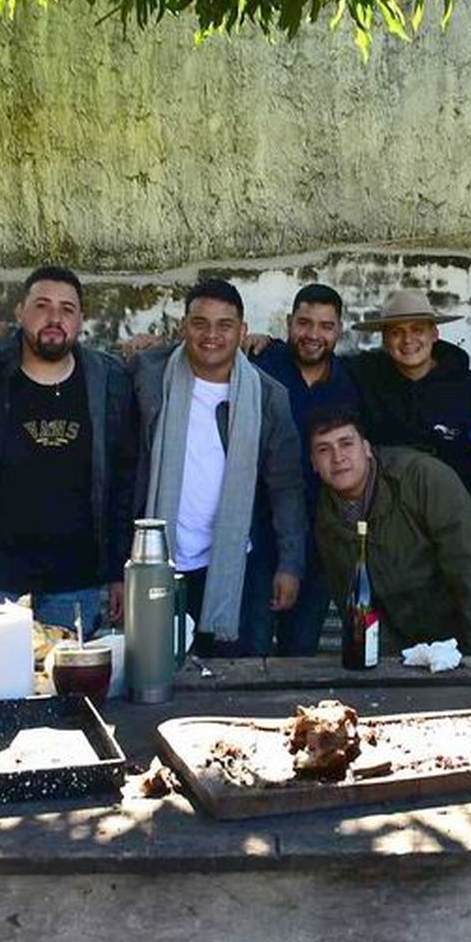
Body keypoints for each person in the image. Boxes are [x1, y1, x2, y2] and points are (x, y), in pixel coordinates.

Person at [0, 265, 137, 633]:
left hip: (75, 584)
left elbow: (123, 484)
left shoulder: (108, 382)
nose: (54, 318)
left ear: (81, 320)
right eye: (42, 305)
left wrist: (118, 571)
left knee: (70, 689)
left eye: (67, 309)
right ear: (19, 313)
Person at [132, 278, 307, 658]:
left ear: (242, 331)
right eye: (200, 323)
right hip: (160, 563)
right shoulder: (147, 376)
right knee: (158, 671)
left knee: (236, 678)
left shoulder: (267, 396)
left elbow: (286, 489)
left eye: (224, 325)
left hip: (237, 566)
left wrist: (290, 564)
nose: (211, 335)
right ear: (184, 326)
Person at [309, 405, 471, 656]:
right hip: (420, 633)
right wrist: (381, 661)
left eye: (346, 444)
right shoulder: (328, 514)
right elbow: (353, 600)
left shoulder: (422, 477)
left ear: (366, 448)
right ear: (313, 463)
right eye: (324, 449)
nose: (338, 457)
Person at [246, 283, 361, 656]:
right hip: (258, 535)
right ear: (288, 323)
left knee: (301, 650)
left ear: (339, 330)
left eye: (326, 326)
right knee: (253, 645)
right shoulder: (259, 367)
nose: (313, 335)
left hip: (322, 537)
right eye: (304, 323)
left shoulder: (352, 382)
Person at [350, 289, 471, 495]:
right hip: (388, 510)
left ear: (434, 334)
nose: (408, 340)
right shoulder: (364, 380)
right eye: (396, 332)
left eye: (417, 330)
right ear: (384, 339)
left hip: (454, 508)